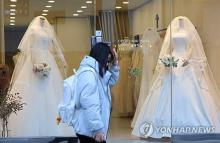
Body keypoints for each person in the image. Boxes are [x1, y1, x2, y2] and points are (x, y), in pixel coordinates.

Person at [132, 16, 220, 138]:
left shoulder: (189, 30)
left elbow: (192, 47)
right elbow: (166, 47)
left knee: (191, 93)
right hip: (173, 59)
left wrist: (187, 59)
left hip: (185, 61)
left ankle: (195, 127)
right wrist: (166, 60)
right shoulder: (171, 29)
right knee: (165, 91)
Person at [8, 16, 73, 137]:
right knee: (34, 93)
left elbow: (55, 46)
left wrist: (62, 59)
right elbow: (29, 48)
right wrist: (34, 63)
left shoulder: (49, 30)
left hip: (48, 59)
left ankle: (56, 125)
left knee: (52, 94)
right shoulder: (33, 29)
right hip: (36, 60)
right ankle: (31, 128)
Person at [74, 42, 119, 143]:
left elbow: (111, 80)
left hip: (93, 130)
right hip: (90, 131)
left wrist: (115, 64)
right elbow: (90, 104)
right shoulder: (89, 74)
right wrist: (97, 129)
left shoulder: (96, 72)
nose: (107, 64)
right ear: (101, 57)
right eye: (107, 61)